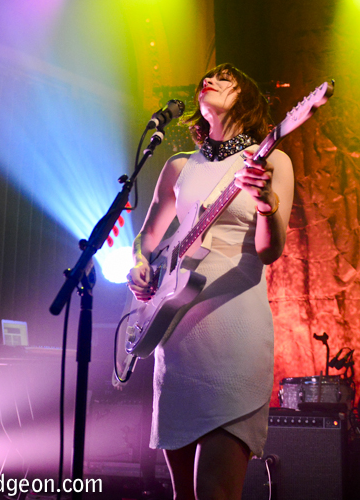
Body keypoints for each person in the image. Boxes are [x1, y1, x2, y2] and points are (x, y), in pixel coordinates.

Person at [124, 64, 294, 500]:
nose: (211, 80)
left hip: (234, 331)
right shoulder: (180, 167)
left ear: (247, 98)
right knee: (184, 496)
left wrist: (264, 203)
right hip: (177, 339)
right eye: (209, 76)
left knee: (216, 493)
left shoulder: (272, 159)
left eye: (226, 78)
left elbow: (270, 251)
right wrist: (141, 263)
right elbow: (148, 236)